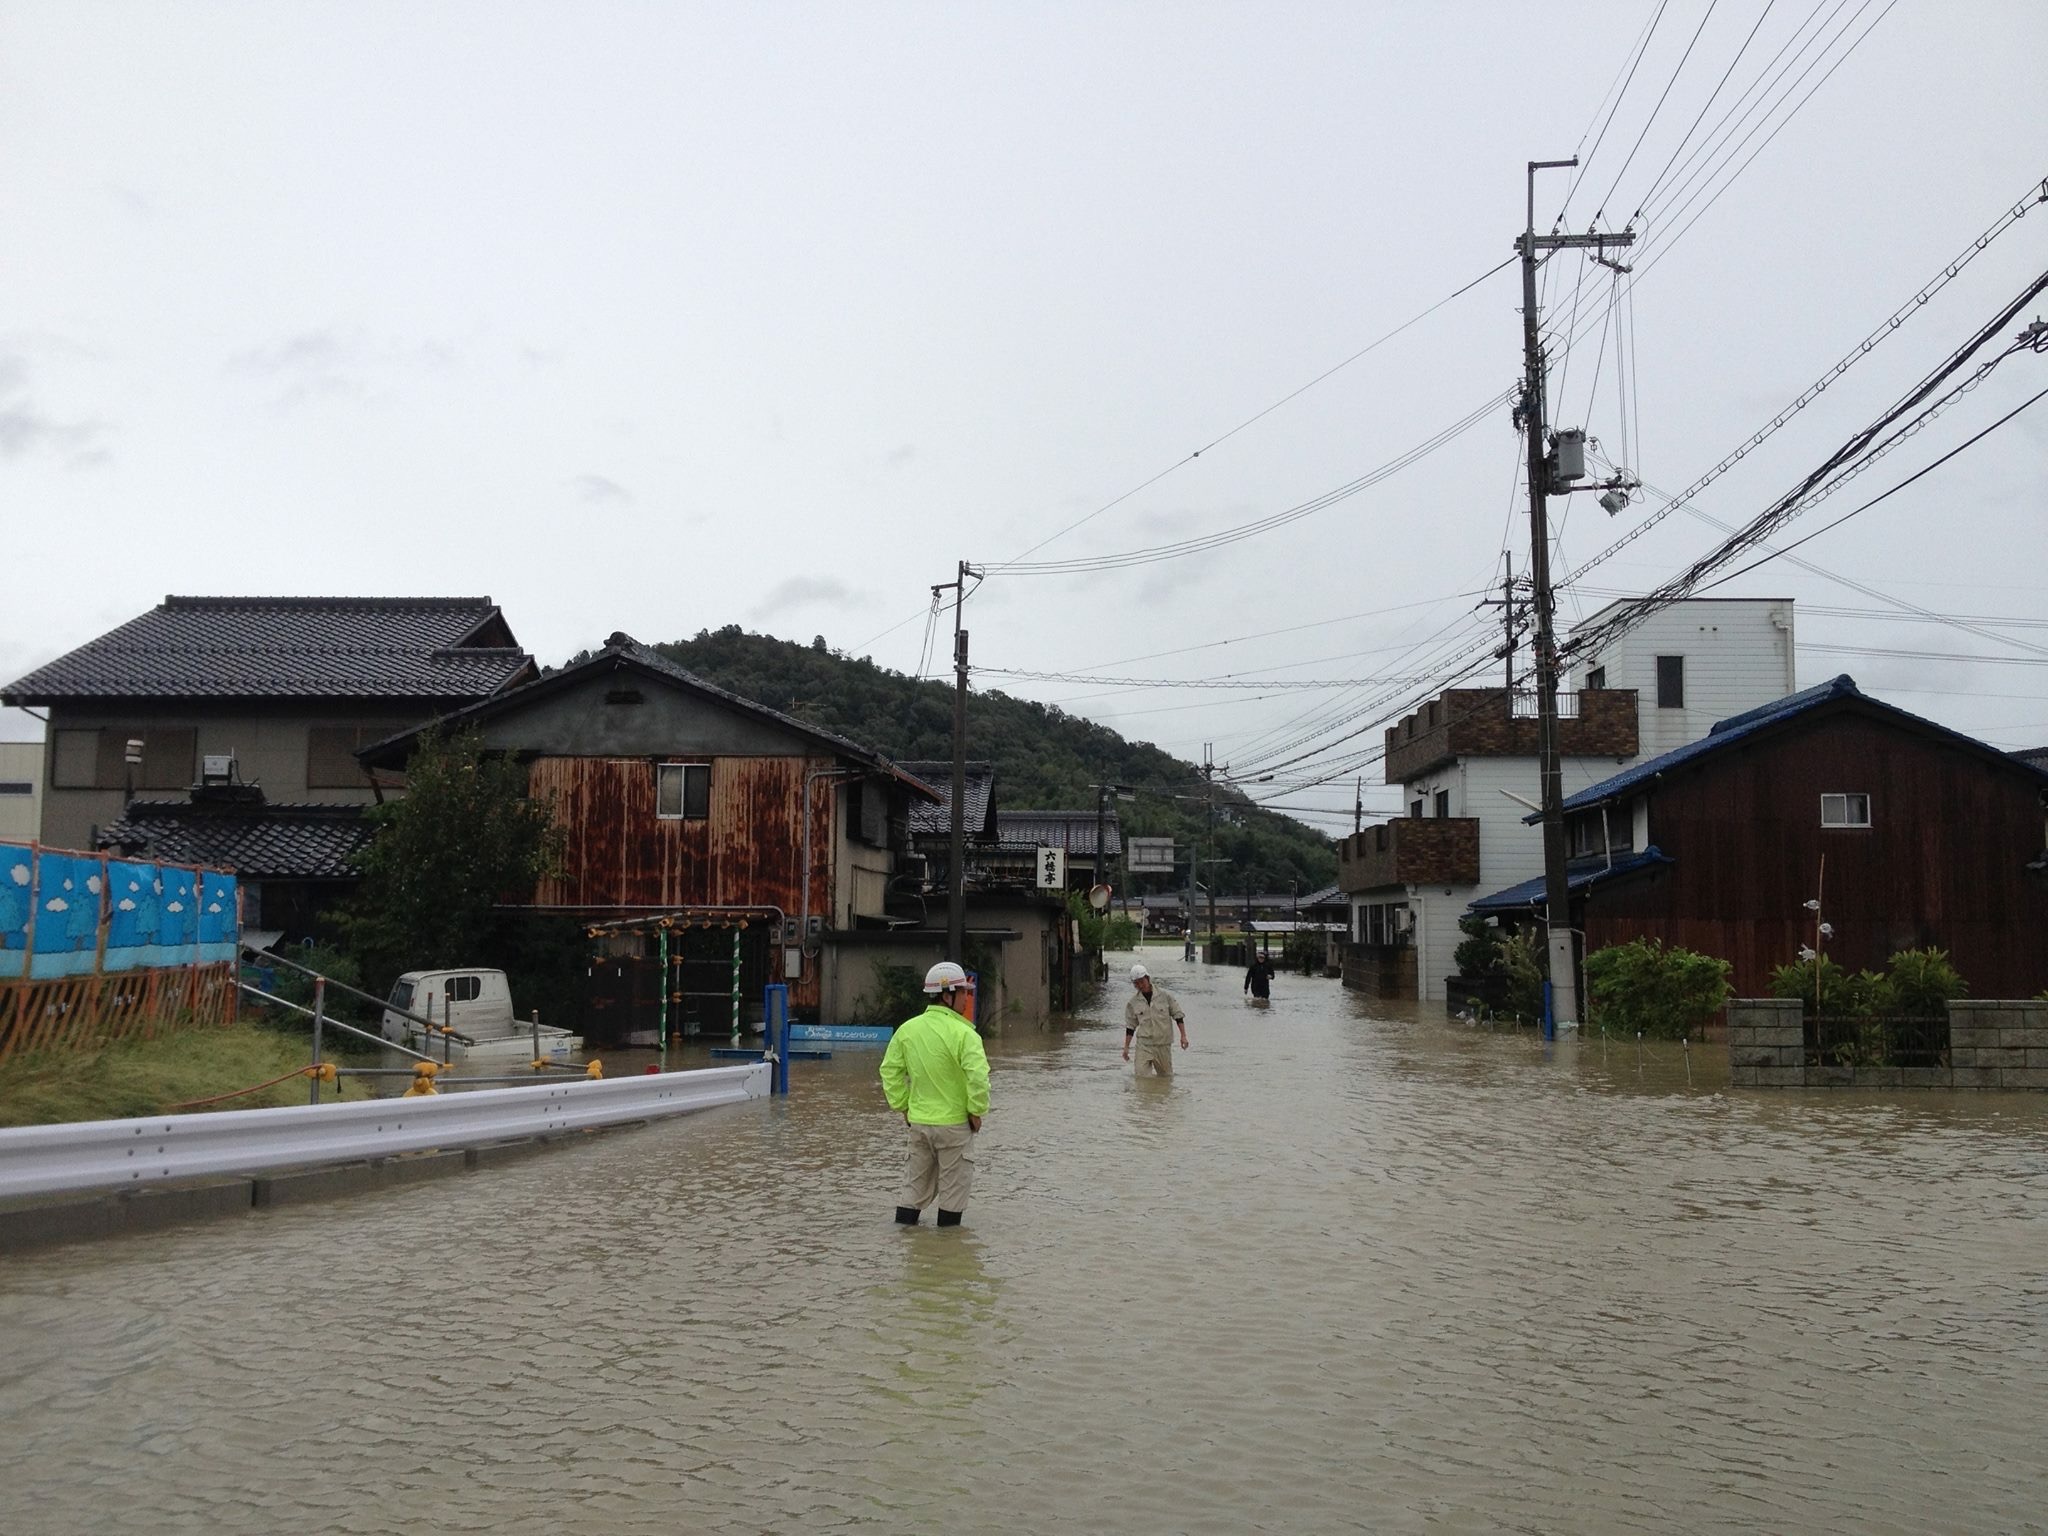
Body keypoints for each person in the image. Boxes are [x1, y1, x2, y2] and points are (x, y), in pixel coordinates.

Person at [880, 960, 990, 1228]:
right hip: (954, 1127)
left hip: (919, 1125)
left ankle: (906, 1255)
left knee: (912, 1194)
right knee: (952, 1200)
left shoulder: (907, 1030)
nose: (967, 998)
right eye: (963, 992)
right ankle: (948, 1260)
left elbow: (889, 1071)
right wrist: (976, 1111)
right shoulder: (965, 1034)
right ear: (948, 994)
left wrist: (904, 1107)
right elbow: (978, 1077)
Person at [1123, 962, 1189, 1075]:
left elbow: (1178, 1016)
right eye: (1136, 983)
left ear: (1148, 978)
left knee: (1166, 1077)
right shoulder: (1132, 1003)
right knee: (1141, 1077)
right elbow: (1130, 1027)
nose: (1140, 985)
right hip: (1144, 1044)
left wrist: (1183, 1036)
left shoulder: (1165, 996)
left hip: (1163, 1044)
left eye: (1141, 981)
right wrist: (1126, 1047)